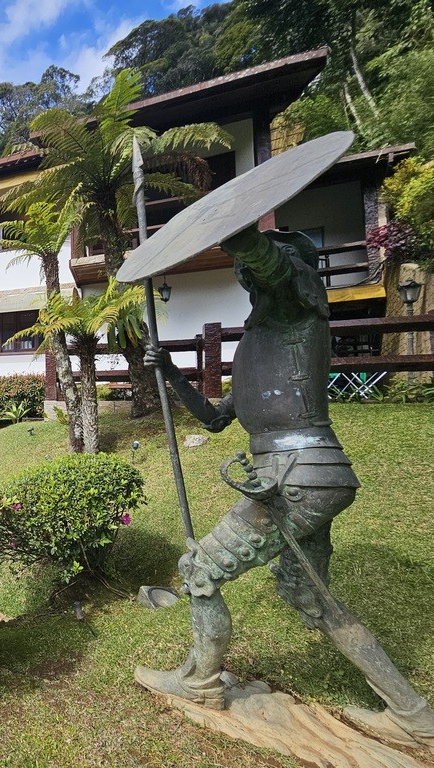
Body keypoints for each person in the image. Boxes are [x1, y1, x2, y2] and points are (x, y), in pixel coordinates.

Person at [136, 226, 434, 748]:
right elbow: (214, 419)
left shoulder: (300, 311)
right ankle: (413, 712)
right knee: (311, 598)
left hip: (293, 478)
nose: (249, 276)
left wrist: (235, 232)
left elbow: (273, 263)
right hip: (315, 478)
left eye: (254, 268)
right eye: (244, 273)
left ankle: (200, 683)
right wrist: (172, 376)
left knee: (200, 572)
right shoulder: (261, 340)